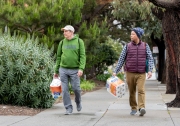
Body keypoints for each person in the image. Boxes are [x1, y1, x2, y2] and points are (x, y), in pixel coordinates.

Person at [113, 27, 154, 116]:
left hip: (141, 73)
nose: (131, 35)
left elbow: (150, 58)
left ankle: (141, 107)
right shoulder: (127, 46)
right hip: (130, 72)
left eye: (133, 34)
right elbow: (121, 59)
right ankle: (133, 108)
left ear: (138, 35)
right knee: (132, 91)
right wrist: (115, 71)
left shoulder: (145, 45)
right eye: (131, 34)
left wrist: (150, 70)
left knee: (141, 90)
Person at [54, 25, 86, 115]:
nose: (64, 33)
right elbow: (58, 57)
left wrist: (81, 68)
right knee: (64, 90)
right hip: (63, 69)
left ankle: (78, 102)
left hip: (75, 70)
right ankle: (68, 108)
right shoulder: (62, 43)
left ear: (72, 32)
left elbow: (82, 56)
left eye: (66, 31)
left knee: (76, 89)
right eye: (63, 31)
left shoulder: (79, 42)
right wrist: (56, 71)